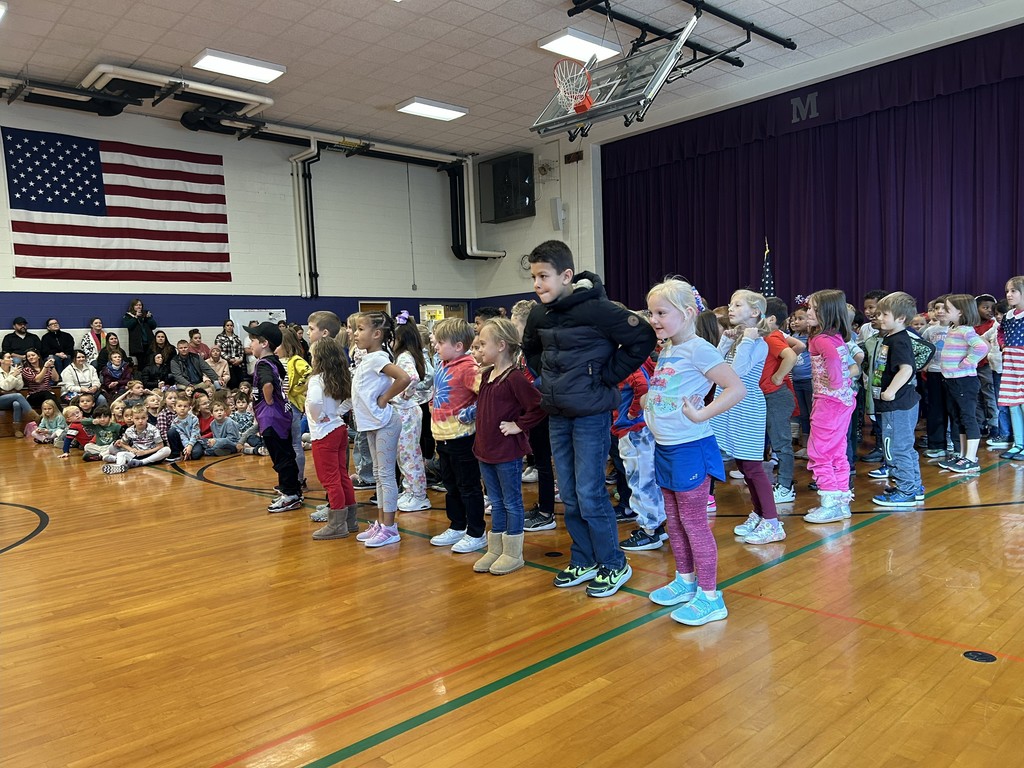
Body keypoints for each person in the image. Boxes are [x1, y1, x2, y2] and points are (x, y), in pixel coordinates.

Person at [521, 240, 656, 597]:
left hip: (592, 414)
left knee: (590, 491)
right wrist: (546, 379)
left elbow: (642, 338)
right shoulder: (539, 314)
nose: (538, 284)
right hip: (558, 415)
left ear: (566, 275)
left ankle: (614, 563)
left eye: (544, 276)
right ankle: (584, 558)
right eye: (534, 277)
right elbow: (530, 349)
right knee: (569, 492)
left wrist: (606, 375)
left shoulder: (599, 309)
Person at [644, 279, 744, 625]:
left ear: (687, 313)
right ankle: (685, 581)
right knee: (673, 521)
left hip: (690, 449)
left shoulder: (700, 349)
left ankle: (710, 597)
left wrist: (702, 414)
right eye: (651, 313)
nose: (654, 319)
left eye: (661, 313)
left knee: (694, 524)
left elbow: (736, 388)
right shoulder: (670, 348)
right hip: (666, 448)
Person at [471, 318, 545, 575]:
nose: (478, 348)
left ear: (501, 345)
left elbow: (537, 405)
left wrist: (518, 425)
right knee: (497, 501)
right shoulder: (487, 376)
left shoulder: (514, 378)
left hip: (506, 452)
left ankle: (513, 552)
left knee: (511, 502)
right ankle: (496, 548)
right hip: (485, 450)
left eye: (482, 343)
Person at [713, 291, 781, 545]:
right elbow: (715, 367)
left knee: (752, 466)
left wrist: (746, 342)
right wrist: (726, 342)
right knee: (743, 465)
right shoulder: (739, 339)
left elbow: (736, 373)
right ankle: (759, 513)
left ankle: (773, 523)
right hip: (730, 407)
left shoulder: (758, 343)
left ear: (754, 313)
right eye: (730, 303)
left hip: (746, 409)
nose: (730, 308)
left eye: (737, 304)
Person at [349, 312, 410, 548]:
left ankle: (390, 528)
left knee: (385, 475)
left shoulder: (378, 359)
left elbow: (403, 378)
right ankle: (382, 523)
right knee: (377, 474)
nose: (355, 333)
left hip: (384, 422)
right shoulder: (368, 358)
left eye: (360, 329)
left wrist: (385, 398)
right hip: (373, 423)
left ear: (376, 334)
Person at [427, 318, 487, 554]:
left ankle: (476, 531)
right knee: (450, 485)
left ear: (459, 345)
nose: (436, 346)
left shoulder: (467, 368)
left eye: (441, 342)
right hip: (442, 437)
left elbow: (486, 395)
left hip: (462, 437)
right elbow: (439, 390)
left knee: (468, 486)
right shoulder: (443, 364)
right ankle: (458, 525)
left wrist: (470, 413)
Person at [801, 289, 858, 523]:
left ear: (827, 311)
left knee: (820, 451)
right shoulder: (834, 336)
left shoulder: (823, 339)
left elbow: (833, 362)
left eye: (814, 308)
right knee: (836, 451)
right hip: (841, 401)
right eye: (809, 307)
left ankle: (830, 501)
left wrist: (834, 383)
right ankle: (841, 500)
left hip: (829, 402)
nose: (808, 312)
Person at [870, 291, 926, 507]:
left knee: (897, 447)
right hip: (897, 404)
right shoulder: (891, 338)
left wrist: (891, 391)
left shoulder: (900, 341)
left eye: (884, 314)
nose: (879, 317)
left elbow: (906, 369)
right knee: (904, 446)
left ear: (901, 318)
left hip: (898, 404)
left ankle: (906, 491)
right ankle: (913, 485)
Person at [305, 337, 359, 540]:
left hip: (323, 434)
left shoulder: (317, 380)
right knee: (342, 475)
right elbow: (351, 399)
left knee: (330, 479)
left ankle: (337, 524)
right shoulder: (338, 376)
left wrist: (318, 416)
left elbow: (315, 402)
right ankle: (351, 520)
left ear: (318, 358)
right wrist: (337, 412)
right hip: (338, 429)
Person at [248, 322, 303, 512]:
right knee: (286, 453)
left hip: (271, 417)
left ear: (264, 343)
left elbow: (268, 385)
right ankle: (293, 490)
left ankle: (290, 495)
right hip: (282, 416)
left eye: (253, 341)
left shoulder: (263, 364)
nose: (251, 345)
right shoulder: (276, 361)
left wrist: (268, 402)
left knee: (281, 457)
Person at [937, 294, 989, 473]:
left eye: (948, 309)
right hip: (952, 380)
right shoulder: (954, 328)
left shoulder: (966, 330)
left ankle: (971, 459)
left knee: (968, 417)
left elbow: (981, 347)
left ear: (960, 312)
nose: (943, 311)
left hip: (964, 381)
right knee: (958, 417)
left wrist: (967, 362)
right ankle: (962, 454)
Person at [391, 314, 431, 512]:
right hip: (405, 411)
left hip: (407, 411)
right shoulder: (407, 355)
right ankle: (410, 490)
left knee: (409, 455)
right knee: (405, 454)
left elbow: (412, 378)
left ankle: (418, 494)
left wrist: (405, 395)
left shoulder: (404, 357)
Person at [762, 297, 799, 504]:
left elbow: (791, 356)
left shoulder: (772, 337)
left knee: (782, 444)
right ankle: (782, 483)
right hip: (771, 396)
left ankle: (785, 486)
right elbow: (798, 347)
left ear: (771, 318)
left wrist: (777, 377)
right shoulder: (772, 336)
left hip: (776, 396)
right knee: (778, 442)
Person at [277, 329, 311, 490]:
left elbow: (309, 373)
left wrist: (297, 389)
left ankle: (299, 478)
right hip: (279, 407)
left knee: (296, 443)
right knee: (285, 445)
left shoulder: (295, 360)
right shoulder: (277, 360)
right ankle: (288, 479)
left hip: (292, 406)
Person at [101, 404, 171, 474]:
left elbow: (160, 446)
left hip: (150, 454)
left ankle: (142, 462)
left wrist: (145, 452)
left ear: (147, 417)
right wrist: (131, 449)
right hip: (136, 455)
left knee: (167, 450)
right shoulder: (129, 430)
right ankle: (119, 467)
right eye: (137, 418)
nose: (140, 421)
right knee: (120, 454)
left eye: (143, 418)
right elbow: (123, 443)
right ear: (133, 418)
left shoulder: (154, 429)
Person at [998, 278, 1024, 459]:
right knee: (1013, 403)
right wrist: (1003, 345)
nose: (1009, 294)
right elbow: (1001, 332)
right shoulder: (1008, 316)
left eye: (1014, 291)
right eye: (1008, 291)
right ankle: (1019, 443)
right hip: (1011, 363)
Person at [0, 352, 36, 437]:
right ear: (1, 360)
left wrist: (14, 376)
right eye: (8, 357)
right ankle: (34, 416)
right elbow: (4, 386)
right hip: (1, 400)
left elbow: (19, 387)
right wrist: (13, 376)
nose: (11, 359)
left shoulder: (15, 369)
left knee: (17, 404)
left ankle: (17, 430)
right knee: (18, 396)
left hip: (11, 397)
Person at [166, 397, 204, 462]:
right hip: (183, 443)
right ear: (174, 408)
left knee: (196, 454)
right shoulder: (175, 422)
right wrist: (187, 446)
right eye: (179, 406)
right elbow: (182, 435)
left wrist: (190, 445)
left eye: (185, 406)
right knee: (171, 432)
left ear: (189, 408)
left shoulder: (194, 418)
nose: (182, 408)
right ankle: (176, 453)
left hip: (195, 441)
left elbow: (195, 433)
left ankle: (192, 452)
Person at [123, 299, 156, 367]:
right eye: (136, 305)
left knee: (151, 362)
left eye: (140, 305)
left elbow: (153, 326)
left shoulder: (146, 314)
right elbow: (128, 325)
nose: (139, 306)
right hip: (138, 345)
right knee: (141, 364)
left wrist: (149, 318)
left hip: (149, 343)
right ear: (133, 306)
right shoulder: (128, 315)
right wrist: (135, 317)